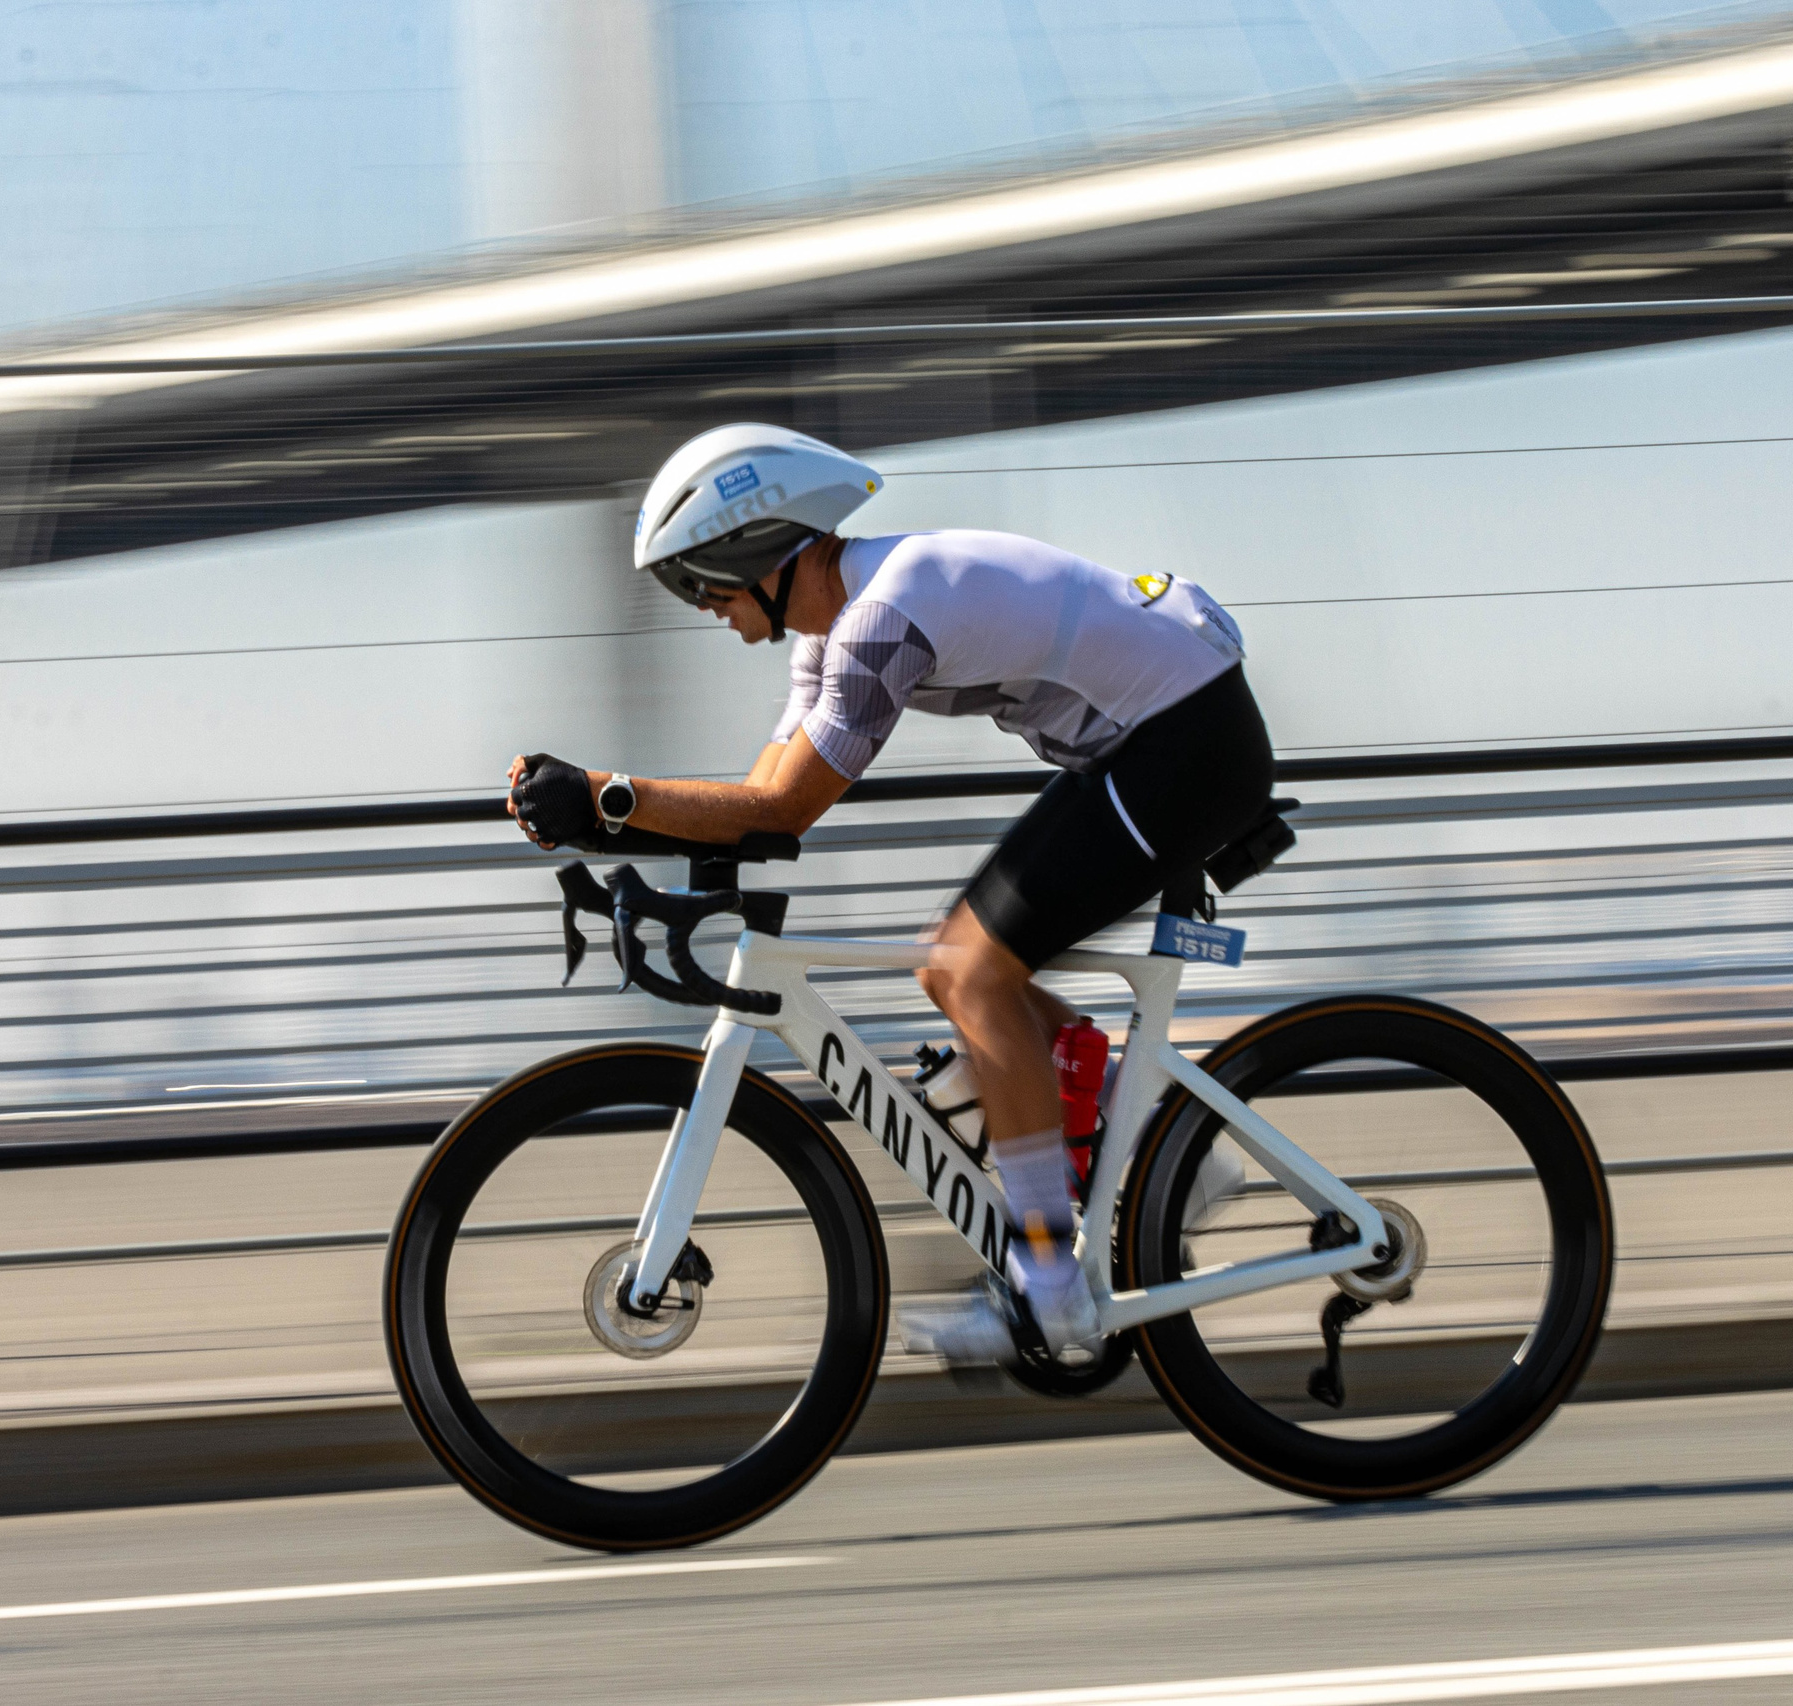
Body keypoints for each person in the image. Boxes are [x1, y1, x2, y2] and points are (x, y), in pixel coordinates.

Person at [505, 423, 1275, 1363]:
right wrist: (604, 818)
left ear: (753, 549)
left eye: (695, 579)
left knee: (978, 976)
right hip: (1152, 738)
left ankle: (1049, 1290)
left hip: (1185, 744)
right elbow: (756, 808)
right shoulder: (832, 634)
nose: (698, 605)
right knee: (951, 964)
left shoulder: (881, 621)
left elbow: (783, 808)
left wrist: (606, 795)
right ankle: (1162, 1159)